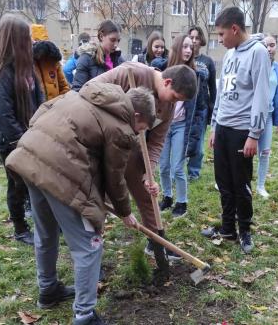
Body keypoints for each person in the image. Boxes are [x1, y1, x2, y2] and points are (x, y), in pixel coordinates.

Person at [6, 83, 156, 325]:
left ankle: (48, 290)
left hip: (29, 158)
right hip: (59, 173)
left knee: (46, 233)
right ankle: (84, 315)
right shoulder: (121, 127)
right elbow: (115, 177)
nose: (139, 133)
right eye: (142, 128)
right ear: (136, 115)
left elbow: (39, 113)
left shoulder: (80, 95)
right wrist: (125, 212)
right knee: (89, 247)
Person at [90, 62, 197, 260]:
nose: (174, 103)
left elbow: (157, 141)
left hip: (133, 150)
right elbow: (89, 91)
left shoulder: (169, 106)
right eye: (175, 97)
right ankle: (93, 253)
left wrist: (149, 173)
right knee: (98, 200)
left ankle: (156, 242)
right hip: (104, 146)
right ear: (167, 82)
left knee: (148, 194)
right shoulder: (129, 73)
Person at [201, 7, 271, 254]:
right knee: (223, 182)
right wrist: (214, 126)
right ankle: (228, 228)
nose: (219, 39)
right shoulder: (230, 55)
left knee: (240, 183)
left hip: (243, 131)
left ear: (234, 28)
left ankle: (245, 231)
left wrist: (254, 134)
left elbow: (262, 96)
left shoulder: (258, 53)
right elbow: (221, 94)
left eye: (221, 34)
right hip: (223, 129)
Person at [0, 14, 44, 245]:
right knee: (17, 185)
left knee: (34, 184)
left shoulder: (26, 68)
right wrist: (24, 142)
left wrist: (41, 129)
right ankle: (20, 228)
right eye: (26, 38)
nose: (31, 42)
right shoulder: (0, 73)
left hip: (30, 137)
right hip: (12, 142)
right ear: (14, 40)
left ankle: (43, 224)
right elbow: (5, 118)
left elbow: (40, 101)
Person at [158, 34, 195, 218]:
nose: (188, 50)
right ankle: (167, 196)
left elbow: (200, 108)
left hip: (181, 125)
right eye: (185, 46)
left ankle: (182, 201)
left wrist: (196, 135)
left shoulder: (195, 74)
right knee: (163, 166)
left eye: (191, 47)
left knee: (177, 167)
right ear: (177, 48)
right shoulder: (163, 70)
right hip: (164, 125)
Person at [187, 25, 217, 181]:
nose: (194, 41)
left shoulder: (208, 61)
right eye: (191, 37)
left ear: (201, 40)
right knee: (183, 138)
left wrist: (212, 109)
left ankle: (193, 171)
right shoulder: (183, 58)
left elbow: (213, 87)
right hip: (184, 107)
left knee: (198, 142)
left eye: (197, 38)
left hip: (202, 108)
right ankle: (178, 168)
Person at [256, 34, 278, 199]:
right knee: (243, 151)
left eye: (272, 45)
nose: (269, 48)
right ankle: (241, 183)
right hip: (250, 116)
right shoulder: (256, 64)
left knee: (264, 152)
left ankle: (260, 186)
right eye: (266, 45)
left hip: (267, 115)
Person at [72, 20, 124, 91]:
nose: (116, 44)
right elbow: (77, 90)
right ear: (101, 36)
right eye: (112, 40)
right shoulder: (86, 58)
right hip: (92, 102)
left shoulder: (119, 58)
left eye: (118, 40)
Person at [31, 24, 70, 101]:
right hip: (36, 111)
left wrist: (56, 106)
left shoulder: (53, 60)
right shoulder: (25, 62)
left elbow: (64, 88)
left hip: (54, 109)